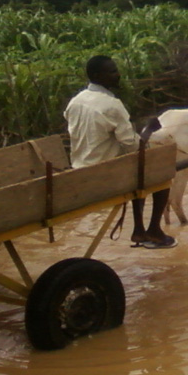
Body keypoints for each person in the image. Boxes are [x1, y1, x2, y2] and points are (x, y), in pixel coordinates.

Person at [64, 55, 176, 249]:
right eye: (112, 71)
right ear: (98, 76)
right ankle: (154, 230)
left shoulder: (75, 101)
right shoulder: (112, 105)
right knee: (162, 173)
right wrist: (148, 129)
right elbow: (134, 146)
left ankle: (139, 229)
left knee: (137, 168)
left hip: (79, 170)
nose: (118, 75)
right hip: (105, 174)